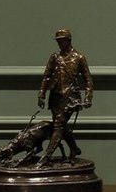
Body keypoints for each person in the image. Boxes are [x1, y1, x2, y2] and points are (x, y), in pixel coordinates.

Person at [36, 28, 93, 166]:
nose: (59, 44)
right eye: (58, 41)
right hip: (55, 97)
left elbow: (88, 79)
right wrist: (42, 93)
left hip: (70, 98)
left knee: (58, 126)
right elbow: (46, 76)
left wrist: (88, 97)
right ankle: (74, 149)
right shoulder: (55, 57)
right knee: (62, 126)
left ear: (68, 40)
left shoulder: (79, 58)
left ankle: (46, 157)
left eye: (61, 41)